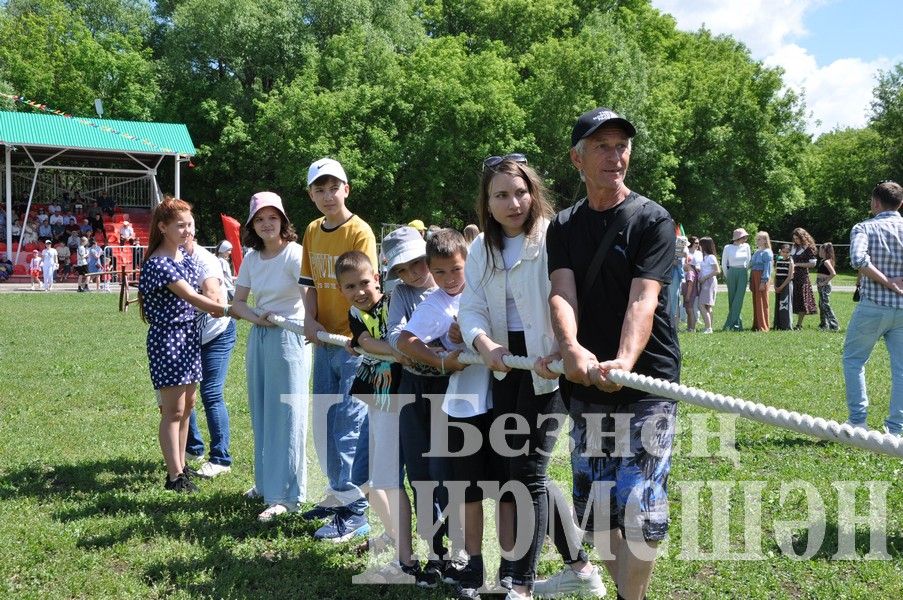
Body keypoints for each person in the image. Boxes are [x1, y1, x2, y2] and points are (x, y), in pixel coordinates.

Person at [541, 107, 680, 600]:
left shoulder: (652, 219)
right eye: (601, 146)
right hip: (585, 381)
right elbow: (562, 292)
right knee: (597, 515)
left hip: (646, 383)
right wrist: (571, 346)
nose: (615, 155)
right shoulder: (561, 226)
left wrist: (624, 361)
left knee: (642, 509)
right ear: (576, 159)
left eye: (621, 145)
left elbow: (645, 298)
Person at [459, 156, 600, 600]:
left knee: (526, 474)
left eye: (520, 192)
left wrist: (563, 344)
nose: (513, 202)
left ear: (533, 192)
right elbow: (472, 306)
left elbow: (573, 297)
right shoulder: (482, 247)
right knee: (517, 471)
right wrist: (485, 345)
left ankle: (518, 584)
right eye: (501, 195)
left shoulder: (555, 235)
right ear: (487, 202)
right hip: (505, 367)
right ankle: (580, 570)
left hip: (551, 368)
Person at [299, 158, 377, 541]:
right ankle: (337, 495)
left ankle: (356, 512)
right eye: (320, 189)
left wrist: (359, 337)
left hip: (353, 346)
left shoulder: (359, 231)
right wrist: (310, 320)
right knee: (328, 423)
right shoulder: (312, 231)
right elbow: (309, 282)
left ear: (346, 189)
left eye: (334, 188)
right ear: (311, 195)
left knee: (350, 427)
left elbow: (367, 290)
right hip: (324, 341)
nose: (328, 196)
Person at [334, 250, 421, 584]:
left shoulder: (395, 301)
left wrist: (387, 348)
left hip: (401, 395)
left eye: (365, 283)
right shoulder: (355, 313)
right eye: (350, 286)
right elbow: (367, 339)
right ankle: (394, 535)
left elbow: (382, 340)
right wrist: (390, 350)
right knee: (373, 475)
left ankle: (405, 551)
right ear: (341, 290)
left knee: (392, 475)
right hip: (377, 395)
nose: (359, 291)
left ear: (378, 279)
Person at [228, 192, 313, 520]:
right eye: (260, 219)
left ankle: (288, 496)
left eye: (272, 218)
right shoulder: (251, 258)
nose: (266, 224)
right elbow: (237, 304)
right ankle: (265, 484)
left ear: (283, 221)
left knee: (288, 415)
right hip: (260, 336)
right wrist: (256, 318)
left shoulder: (294, 254)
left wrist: (309, 326)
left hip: (289, 338)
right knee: (262, 409)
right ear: (252, 224)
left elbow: (309, 296)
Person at [396, 228, 471, 588]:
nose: (449, 279)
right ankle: (435, 553)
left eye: (455, 269)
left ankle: (459, 552)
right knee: (422, 475)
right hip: (420, 390)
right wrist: (440, 361)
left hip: (459, 399)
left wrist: (467, 332)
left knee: (450, 475)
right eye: (439, 273)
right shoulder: (434, 304)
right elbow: (404, 339)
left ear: (467, 261)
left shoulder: (481, 294)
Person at [137, 197, 228, 494]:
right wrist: (224, 309)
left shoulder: (184, 258)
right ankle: (174, 475)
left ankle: (181, 467)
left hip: (189, 337)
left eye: (190, 224)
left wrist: (220, 299)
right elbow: (191, 296)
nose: (187, 230)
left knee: (187, 407)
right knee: (172, 411)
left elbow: (206, 284)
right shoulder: (159, 263)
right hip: (169, 341)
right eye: (180, 225)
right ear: (162, 227)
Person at [842, 180, 903, 434]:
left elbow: (858, 259)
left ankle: (857, 421)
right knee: (901, 370)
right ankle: (896, 429)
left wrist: (888, 282)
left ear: (876, 202)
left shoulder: (863, 228)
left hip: (874, 306)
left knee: (854, 360)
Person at [183, 222, 238, 479]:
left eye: (188, 228)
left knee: (211, 392)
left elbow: (216, 302)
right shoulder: (164, 256)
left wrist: (187, 298)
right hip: (184, 335)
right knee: (183, 391)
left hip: (217, 333)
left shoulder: (206, 261)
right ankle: (193, 448)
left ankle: (220, 458)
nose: (183, 233)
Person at [722, 228, 751, 331]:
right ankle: (737, 324)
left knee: (739, 299)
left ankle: (729, 324)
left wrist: (745, 273)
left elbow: (748, 261)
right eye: (744, 237)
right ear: (739, 237)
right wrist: (727, 275)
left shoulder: (747, 246)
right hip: (731, 273)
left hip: (743, 272)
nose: (746, 239)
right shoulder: (727, 247)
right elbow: (724, 264)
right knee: (732, 299)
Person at [790, 227, 818, 329]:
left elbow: (812, 264)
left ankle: (799, 324)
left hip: (802, 277)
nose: (796, 240)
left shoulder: (808, 248)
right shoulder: (793, 247)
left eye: (797, 238)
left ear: (803, 237)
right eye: (794, 238)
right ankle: (789, 322)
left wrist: (797, 264)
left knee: (802, 301)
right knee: (792, 299)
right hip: (791, 276)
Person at [748, 231, 773, 332]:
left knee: (762, 301)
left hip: (761, 277)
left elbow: (767, 268)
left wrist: (763, 281)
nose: (757, 241)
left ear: (765, 240)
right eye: (757, 239)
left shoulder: (767, 252)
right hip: (754, 276)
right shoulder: (757, 251)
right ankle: (757, 324)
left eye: (759, 239)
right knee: (756, 300)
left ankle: (763, 325)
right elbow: (752, 265)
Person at [697, 237, 720, 334]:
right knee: (707, 306)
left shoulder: (711, 257)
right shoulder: (705, 257)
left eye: (700, 245)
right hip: (706, 281)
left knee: (701, 304)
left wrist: (705, 277)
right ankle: (709, 327)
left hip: (709, 282)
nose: (699, 247)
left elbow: (717, 271)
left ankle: (708, 328)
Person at [816, 242, 839, 331]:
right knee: (821, 304)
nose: (819, 252)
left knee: (825, 305)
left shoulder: (826, 261)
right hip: (821, 284)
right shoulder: (823, 260)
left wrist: (824, 282)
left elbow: (833, 273)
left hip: (824, 285)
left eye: (821, 250)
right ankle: (824, 324)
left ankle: (834, 325)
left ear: (826, 251)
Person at [773, 243, 795, 330]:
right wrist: (775, 286)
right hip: (778, 283)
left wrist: (781, 287)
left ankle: (786, 325)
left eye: (787, 252)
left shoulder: (790, 261)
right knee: (778, 304)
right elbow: (776, 274)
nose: (785, 253)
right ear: (780, 252)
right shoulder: (778, 260)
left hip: (786, 284)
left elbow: (790, 276)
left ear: (790, 252)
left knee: (785, 304)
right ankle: (778, 324)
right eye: (783, 251)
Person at [682, 236, 702, 332]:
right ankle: (690, 328)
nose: (698, 245)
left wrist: (687, 296)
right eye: (696, 243)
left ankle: (691, 328)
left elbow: (690, 285)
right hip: (689, 287)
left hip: (690, 291)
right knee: (689, 310)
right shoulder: (690, 271)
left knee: (690, 310)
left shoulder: (690, 272)